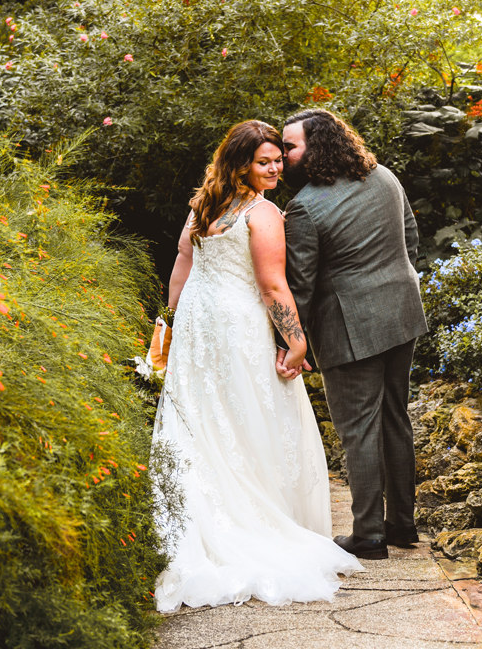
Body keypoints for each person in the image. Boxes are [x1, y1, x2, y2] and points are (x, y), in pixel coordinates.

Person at [151, 120, 363, 613]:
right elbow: (272, 286)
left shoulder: (204, 205)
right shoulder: (262, 212)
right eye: (263, 162)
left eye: (276, 160)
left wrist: (172, 321)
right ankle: (254, 520)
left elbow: (181, 265)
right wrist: (295, 342)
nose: (274, 169)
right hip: (236, 324)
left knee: (203, 417)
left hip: (199, 326)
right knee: (253, 414)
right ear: (241, 163)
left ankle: (205, 517)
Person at [276, 109, 429, 561]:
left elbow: (300, 285)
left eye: (291, 146)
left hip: (348, 325)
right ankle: (402, 525)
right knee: (395, 418)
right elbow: (411, 238)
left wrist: (290, 340)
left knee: (358, 428)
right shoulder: (384, 176)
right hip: (402, 311)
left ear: (316, 147)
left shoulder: (303, 205)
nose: (285, 155)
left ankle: (367, 535)